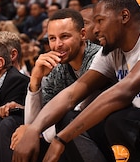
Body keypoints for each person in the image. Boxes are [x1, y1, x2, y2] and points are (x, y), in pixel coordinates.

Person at [12, 0, 140, 162]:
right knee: (70, 119)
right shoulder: (111, 52)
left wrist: (61, 139)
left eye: (100, 21)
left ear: (124, 16)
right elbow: (72, 94)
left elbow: (123, 92)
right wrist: (33, 130)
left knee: (117, 119)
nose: (94, 30)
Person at [10, 8, 107, 162]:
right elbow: (33, 119)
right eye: (52, 38)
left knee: (66, 120)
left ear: (82, 34)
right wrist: (35, 79)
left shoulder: (99, 57)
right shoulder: (57, 66)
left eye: (65, 37)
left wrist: (34, 130)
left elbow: (77, 114)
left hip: (104, 131)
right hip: (69, 134)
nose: (58, 45)